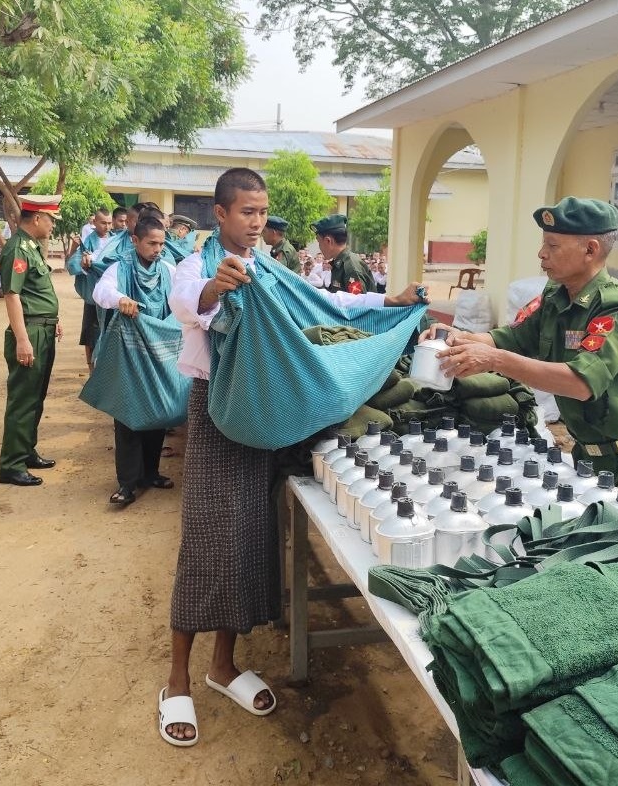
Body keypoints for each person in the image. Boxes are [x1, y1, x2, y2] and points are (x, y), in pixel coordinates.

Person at [159, 168, 425, 748]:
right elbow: (184, 302)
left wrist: (389, 300)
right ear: (221, 214)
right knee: (207, 538)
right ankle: (176, 677)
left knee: (251, 538)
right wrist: (214, 289)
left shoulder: (270, 270)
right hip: (218, 412)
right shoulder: (198, 265)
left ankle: (222, 665)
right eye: (246, 213)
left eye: (262, 212)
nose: (256, 223)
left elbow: (318, 301)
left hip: (266, 410)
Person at [430, 196, 618, 508]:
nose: (541, 253)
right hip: (587, 456)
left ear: (590, 250)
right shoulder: (555, 296)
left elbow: (580, 383)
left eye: (553, 245)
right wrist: (462, 338)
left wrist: (494, 360)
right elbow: (513, 337)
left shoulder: (615, 306)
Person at [91, 216, 176, 505]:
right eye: (152, 243)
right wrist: (119, 299)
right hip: (128, 354)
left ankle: (150, 473)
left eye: (162, 243)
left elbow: (181, 301)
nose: (157, 249)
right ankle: (127, 484)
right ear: (135, 241)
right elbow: (100, 293)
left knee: (157, 412)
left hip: (159, 353)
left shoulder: (167, 270)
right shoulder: (119, 269)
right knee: (128, 416)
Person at [0, 194, 64, 487]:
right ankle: (11, 465)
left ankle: (26, 451)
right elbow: (12, 295)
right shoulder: (17, 249)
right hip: (31, 333)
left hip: (43, 330)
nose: (52, 226)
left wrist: (54, 319)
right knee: (23, 400)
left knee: (36, 397)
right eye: (50, 220)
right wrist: (23, 340)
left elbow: (35, 293)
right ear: (37, 218)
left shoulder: (31, 248)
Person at [77, 208, 116, 370]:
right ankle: (91, 368)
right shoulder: (87, 242)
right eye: (103, 223)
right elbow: (75, 263)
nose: (107, 227)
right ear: (94, 223)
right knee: (90, 333)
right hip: (93, 295)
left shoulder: (117, 241)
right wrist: (84, 264)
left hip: (113, 295)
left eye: (109, 223)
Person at [313, 213, 375, 294]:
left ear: (328, 241)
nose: (319, 247)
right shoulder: (340, 263)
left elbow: (358, 303)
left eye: (319, 242)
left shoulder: (350, 266)